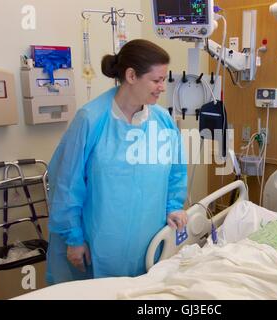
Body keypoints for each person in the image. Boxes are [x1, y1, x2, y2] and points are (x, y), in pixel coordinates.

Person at [45, 39, 188, 285]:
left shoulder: (163, 121)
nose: (162, 87)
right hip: (98, 243)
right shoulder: (90, 120)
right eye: (157, 80)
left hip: (148, 241)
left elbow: (176, 171)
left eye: (164, 79)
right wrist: (74, 238)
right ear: (131, 75)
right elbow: (67, 183)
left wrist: (173, 206)